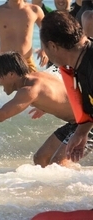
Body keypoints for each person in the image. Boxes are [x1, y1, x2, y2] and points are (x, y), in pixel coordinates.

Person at [40, 10, 93, 162]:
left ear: (52, 46)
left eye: (43, 47)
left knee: (58, 163)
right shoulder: (81, 60)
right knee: (46, 159)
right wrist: (81, 132)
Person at [0, 0, 48, 80]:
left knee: (33, 89)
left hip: (26, 61)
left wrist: (44, 49)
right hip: (4, 63)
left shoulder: (34, 10)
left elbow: (46, 31)